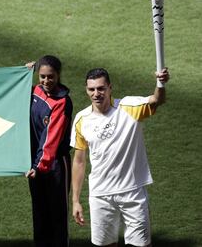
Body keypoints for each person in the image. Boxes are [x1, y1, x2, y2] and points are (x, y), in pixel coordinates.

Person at [71, 67, 170, 247]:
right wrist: (76, 200)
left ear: (110, 88)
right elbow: (79, 161)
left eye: (101, 88)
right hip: (100, 195)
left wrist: (160, 83)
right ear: (86, 90)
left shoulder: (129, 107)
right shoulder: (81, 119)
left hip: (132, 193)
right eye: (91, 89)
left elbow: (157, 99)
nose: (96, 94)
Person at [25, 55, 73, 247]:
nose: (46, 81)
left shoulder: (62, 102)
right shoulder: (35, 91)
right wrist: (24, 73)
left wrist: (39, 165)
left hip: (55, 165)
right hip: (35, 164)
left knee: (57, 214)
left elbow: (51, 139)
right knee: (39, 212)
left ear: (58, 75)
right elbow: (13, 91)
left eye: (50, 77)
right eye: (42, 76)